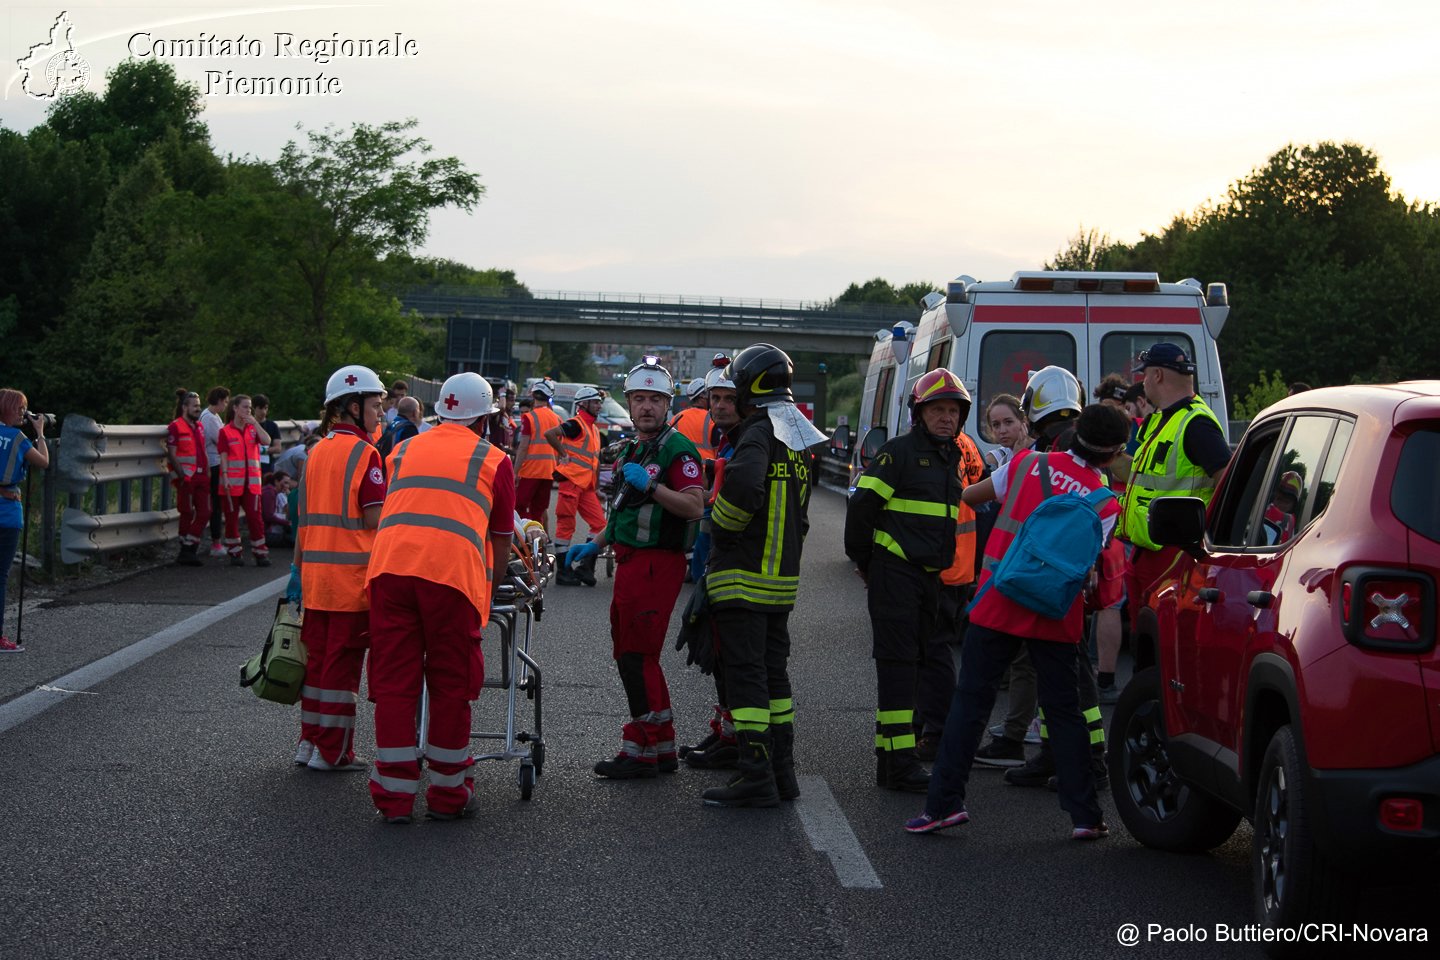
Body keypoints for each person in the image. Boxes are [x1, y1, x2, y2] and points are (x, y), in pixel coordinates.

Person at [904, 402, 1132, 839]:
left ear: (1074, 433)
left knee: (971, 704)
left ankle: (943, 806)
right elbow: (1095, 569)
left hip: (998, 601)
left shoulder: (1029, 463)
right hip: (1055, 614)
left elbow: (969, 498)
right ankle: (1085, 816)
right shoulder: (1106, 504)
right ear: (1114, 451)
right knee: (1064, 712)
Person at [366, 372, 515, 823]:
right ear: (484, 419)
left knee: (395, 683)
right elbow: (503, 538)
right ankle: (449, 795)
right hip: (450, 578)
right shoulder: (493, 459)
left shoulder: (404, 448)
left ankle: (393, 799)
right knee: (451, 684)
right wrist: (488, 591)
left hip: (389, 570)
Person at [566, 357, 705, 779]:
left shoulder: (676, 449)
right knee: (635, 655)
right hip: (630, 562)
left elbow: (695, 506)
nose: (646, 407)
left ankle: (641, 747)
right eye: (639, 399)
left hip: (654, 565)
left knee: (635, 656)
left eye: (655, 400)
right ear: (629, 402)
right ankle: (661, 745)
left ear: (668, 404)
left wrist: (654, 486)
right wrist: (595, 544)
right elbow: (625, 514)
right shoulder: (637, 446)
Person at [700, 343, 823, 807]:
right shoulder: (795, 438)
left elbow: (744, 486)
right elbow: (802, 513)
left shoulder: (757, 432)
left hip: (743, 577)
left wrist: (721, 528)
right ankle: (782, 775)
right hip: (780, 581)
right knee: (775, 680)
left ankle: (755, 776)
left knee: (746, 680)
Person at [845, 368, 968, 794]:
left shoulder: (949, 458)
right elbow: (861, 509)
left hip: (928, 580)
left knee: (911, 666)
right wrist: (868, 563)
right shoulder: (898, 453)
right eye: (938, 410)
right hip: (895, 574)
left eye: (953, 411)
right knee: (898, 669)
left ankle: (892, 759)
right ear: (920, 413)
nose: (946, 418)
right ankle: (899, 763)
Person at [291, 364, 388, 772]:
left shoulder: (316, 452)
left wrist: (296, 578)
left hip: (316, 580)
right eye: (375, 405)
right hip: (351, 582)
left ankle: (309, 743)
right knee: (341, 668)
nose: (380, 414)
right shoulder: (366, 454)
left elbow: (303, 520)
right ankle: (333, 752)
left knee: (317, 663)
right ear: (353, 406)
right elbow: (374, 520)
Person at [1120, 342, 1231, 635]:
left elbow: (1227, 479)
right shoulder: (1162, 419)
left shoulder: (1196, 423)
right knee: (1145, 643)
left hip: (1174, 558)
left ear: (1157, 375)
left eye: (1143, 376)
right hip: (1148, 550)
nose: (1141, 383)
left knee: (1164, 645)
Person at [680, 362, 743, 769]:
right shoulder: (727, 440)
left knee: (734, 657)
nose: (718, 406)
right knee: (718, 653)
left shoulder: (748, 442)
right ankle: (725, 731)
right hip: (719, 552)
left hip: (740, 564)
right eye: (714, 398)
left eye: (727, 399)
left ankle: (736, 741)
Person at [917, 419, 986, 760]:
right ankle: (928, 725)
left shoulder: (942, 448)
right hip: (959, 563)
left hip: (942, 565)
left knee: (934, 651)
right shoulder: (968, 445)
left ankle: (939, 730)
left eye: (948, 410)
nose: (943, 417)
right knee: (934, 650)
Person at [1091, 375, 1134, 704]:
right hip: (1115, 524)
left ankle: (1102, 676)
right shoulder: (1128, 431)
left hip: (1111, 525)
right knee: (1109, 602)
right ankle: (1102, 676)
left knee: (1108, 603)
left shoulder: (1089, 432)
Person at [1, 389, 49, 653]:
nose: (23, 413)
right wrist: (40, 432)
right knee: (0, 575)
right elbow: (43, 462)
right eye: (20, 408)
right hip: (7, 512)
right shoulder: (18, 438)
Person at [546, 386, 606, 585]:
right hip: (571, 482)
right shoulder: (576, 424)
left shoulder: (594, 430)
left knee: (600, 525)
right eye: (595, 402)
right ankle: (563, 572)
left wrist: (596, 488)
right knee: (566, 527)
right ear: (583, 404)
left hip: (586, 485)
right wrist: (563, 453)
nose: (599, 406)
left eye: (599, 402)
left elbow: (594, 461)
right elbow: (550, 434)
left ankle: (585, 568)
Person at [216, 394, 273, 567]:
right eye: (245, 407)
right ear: (235, 408)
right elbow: (223, 456)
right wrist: (225, 476)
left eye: (249, 407)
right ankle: (235, 552)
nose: (248, 410)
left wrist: (255, 423)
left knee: (255, 518)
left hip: (252, 482)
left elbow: (267, 441)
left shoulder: (253, 429)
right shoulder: (225, 431)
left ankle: (260, 552)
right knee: (232, 519)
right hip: (232, 482)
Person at [165, 389, 210, 566]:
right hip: (187, 477)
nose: (198, 409)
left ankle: (189, 545)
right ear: (185, 407)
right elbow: (172, 453)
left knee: (205, 512)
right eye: (195, 406)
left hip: (201, 476)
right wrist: (182, 474)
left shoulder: (199, 426)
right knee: (186, 512)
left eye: (199, 406)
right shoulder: (175, 426)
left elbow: (202, 450)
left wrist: (207, 470)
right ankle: (187, 551)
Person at [513, 379, 562, 527]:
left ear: (533, 394)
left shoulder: (529, 417)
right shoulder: (557, 418)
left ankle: (524, 538)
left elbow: (523, 447)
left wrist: (515, 472)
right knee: (539, 509)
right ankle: (537, 541)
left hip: (530, 470)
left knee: (519, 506)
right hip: (548, 471)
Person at [200, 386, 230, 558]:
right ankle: (216, 541)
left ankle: (217, 539)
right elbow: (221, 441)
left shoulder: (213, 417)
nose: (225, 406)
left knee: (218, 504)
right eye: (225, 402)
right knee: (217, 504)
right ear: (218, 400)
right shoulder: (209, 418)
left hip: (216, 462)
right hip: (213, 463)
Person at [671, 376, 715, 461]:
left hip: (681, 467)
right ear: (703, 396)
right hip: (707, 470)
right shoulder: (712, 418)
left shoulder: (676, 418)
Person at [1263, 470, 1301, 545]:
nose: (1281, 505)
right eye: (1279, 499)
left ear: (1293, 506)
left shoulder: (1290, 523)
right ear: (1274, 496)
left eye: (1286, 502)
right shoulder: (1263, 510)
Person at [261, 471, 294, 548]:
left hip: (267, 532)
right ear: (276, 482)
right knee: (293, 541)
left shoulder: (272, 492)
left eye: (288, 483)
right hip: (266, 534)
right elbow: (268, 516)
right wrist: (287, 523)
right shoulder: (269, 492)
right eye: (285, 483)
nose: (287, 486)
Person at [253, 394, 282, 472]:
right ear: (254, 408)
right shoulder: (247, 425)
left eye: (266, 408)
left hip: (267, 465)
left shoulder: (272, 426)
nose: (264, 412)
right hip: (252, 464)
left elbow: (278, 448)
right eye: (260, 408)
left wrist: (261, 450)